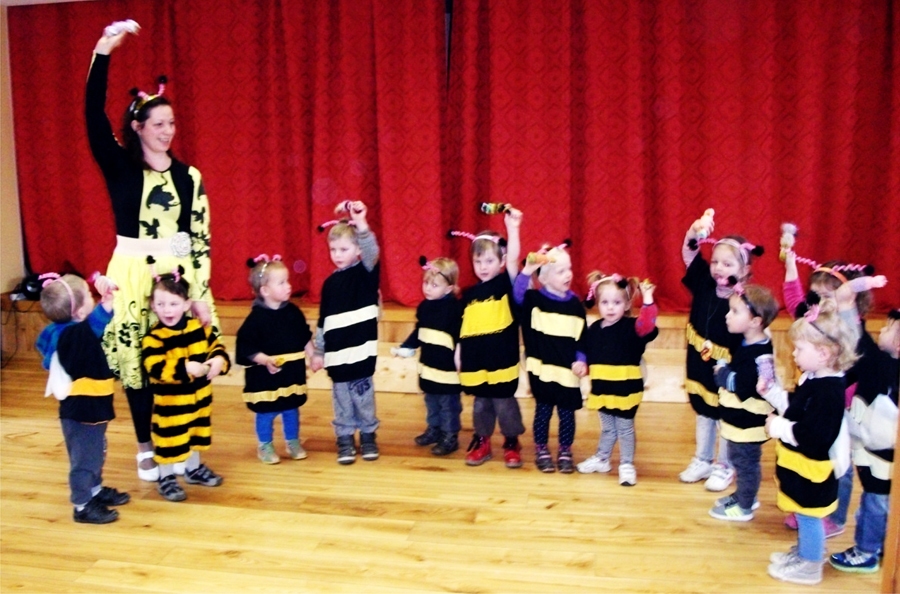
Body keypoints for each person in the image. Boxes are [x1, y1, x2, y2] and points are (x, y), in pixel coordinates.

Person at [86, 25, 220, 482]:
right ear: (139, 127)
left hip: (178, 278)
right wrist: (104, 51)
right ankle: (146, 446)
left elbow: (198, 237)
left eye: (172, 123)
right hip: (131, 276)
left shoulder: (189, 176)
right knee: (142, 369)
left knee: (187, 360)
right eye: (158, 124)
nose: (167, 131)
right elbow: (91, 116)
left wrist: (198, 291)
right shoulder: (119, 165)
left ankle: (185, 446)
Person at [782, 252, 888, 537]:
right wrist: (791, 264)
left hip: (844, 408)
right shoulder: (815, 319)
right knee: (812, 455)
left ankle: (836, 518)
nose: (817, 302)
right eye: (815, 294)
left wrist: (850, 295)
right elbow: (794, 300)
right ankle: (808, 504)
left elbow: (847, 309)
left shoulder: (846, 326)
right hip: (818, 403)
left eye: (825, 295)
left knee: (840, 464)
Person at [761, 303, 859, 586]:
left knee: (809, 517)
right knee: (804, 515)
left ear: (824, 353)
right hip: (801, 468)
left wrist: (779, 427)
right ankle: (805, 553)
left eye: (799, 349)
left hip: (812, 470)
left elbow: (813, 437)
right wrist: (774, 394)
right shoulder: (815, 379)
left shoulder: (829, 391)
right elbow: (797, 408)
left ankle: (811, 565)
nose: (793, 354)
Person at [35, 273, 130, 524]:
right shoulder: (73, 336)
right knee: (85, 459)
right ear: (77, 313)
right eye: (89, 296)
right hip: (83, 410)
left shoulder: (64, 331)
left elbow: (91, 327)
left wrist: (103, 303)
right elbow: (93, 327)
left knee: (95, 451)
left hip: (88, 407)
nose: (93, 297)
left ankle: (95, 491)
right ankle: (82, 505)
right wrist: (107, 303)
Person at [679, 211, 762, 491]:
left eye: (728, 264)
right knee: (704, 411)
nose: (718, 268)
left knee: (726, 415)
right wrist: (693, 232)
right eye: (715, 261)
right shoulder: (703, 281)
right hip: (699, 363)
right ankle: (702, 458)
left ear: (745, 271)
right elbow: (689, 253)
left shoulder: (744, 300)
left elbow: (753, 334)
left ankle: (725, 465)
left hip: (726, 368)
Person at [142, 264, 230, 502]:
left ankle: (193, 469)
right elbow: (155, 367)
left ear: (186, 304)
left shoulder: (197, 328)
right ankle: (166, 477)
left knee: (195, 435)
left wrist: (218, 360)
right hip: (172, 407)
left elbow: (217, 346)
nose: (167, 310)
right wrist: (183, 367)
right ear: (152, 305)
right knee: (170, 441)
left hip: (200, 401)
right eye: (160, 304)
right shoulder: (154, 337)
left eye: (173, 304)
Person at [453, 209, 526, 468]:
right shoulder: (468, 294)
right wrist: (459, 351)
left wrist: (512, 228)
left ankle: (511, 440)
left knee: (504, 403)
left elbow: (516, 259)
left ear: (501, 261)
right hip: (476, 359)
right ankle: (482, 440)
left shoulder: (507, 283)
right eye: (478, 262)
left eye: (489, 261)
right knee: (481, 404)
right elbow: (463, 327)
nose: (483, 267)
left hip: (501, 359)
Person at [309, 201, 381, 465]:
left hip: (361, 354)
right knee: (342, 401)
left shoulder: (365, 273)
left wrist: (361, 223)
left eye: (344, 249)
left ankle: (369, 435)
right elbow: (323, 320)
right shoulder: (329, 284)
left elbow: (372, 252)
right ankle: (345, 438)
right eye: (333, 249)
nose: (337, 254)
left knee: (363, 397)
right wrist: (318, 351)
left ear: (357, 250)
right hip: (337, 358)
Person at [830, 308, 899, 573]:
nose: (880, 330)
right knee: (879, 502)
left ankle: (867, 550)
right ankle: (882, 545)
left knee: (875, 502)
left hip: (881, 455)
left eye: (888, 328)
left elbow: (861, 341)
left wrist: (848, 308)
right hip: (879, 453)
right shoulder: (883, 364)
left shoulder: (883, 365)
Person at [576, 273, 658, 485]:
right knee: (608, 428)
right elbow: (583, 348)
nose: (610, 307)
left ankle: (627, 463)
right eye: (605, 302)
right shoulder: (594, 328)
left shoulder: (632, 327)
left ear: (626, 304)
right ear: (597, 303)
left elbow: (648, 325)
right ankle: (602, 458)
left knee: (624, 428)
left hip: (625, 391)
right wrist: (581, 362)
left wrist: (648, 299)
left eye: (617, 302)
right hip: (602, 389)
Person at [708, 284, 778, 521]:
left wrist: (722, 372)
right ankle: (744, 495)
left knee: (746, 463)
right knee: (740, 461)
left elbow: (743, 385)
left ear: (755, 322)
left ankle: (745, 506)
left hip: (748, 424)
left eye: (735, 311)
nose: (728, 315)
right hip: (740, 421)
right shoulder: (746, 342)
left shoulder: (760, 355)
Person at [514, 245, 586, 474]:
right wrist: (528, 271)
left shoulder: (576, 305)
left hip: (567, 372)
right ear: (543, 278)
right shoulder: (533, 300)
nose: (568, 275)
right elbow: (517, 295)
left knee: (567, 414)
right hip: (542, 371)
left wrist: (582, 360)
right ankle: (541, 448)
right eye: (561, 271)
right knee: (543, 412)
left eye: (570, 269)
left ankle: (565, 450)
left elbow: (582, 337)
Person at [236, 256, 315, 464]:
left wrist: (313, 354)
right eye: (282, 283)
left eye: (287, 281)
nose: (289, 286)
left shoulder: (293, 313)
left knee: (291, 409)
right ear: (265, 290)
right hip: (265, 377)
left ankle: (293, 441)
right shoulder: (255, 319)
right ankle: (265, 445)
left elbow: (303, 335)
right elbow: (246, 346)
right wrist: (263, 359)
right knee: (266, 412)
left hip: (290, 374)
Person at [393, 257, 463, 456]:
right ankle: (435, 429)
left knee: (448, 405)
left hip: (447, 370)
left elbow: (460, 336)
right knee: (431, 401)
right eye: (426, 283)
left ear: (449, 288)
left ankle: (450, 435)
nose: (428, 288)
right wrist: (407, 347)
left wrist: (461, 355)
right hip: (429, 367)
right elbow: (419, 331)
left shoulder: (455, 309)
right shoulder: (424, 307)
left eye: (434, 285)